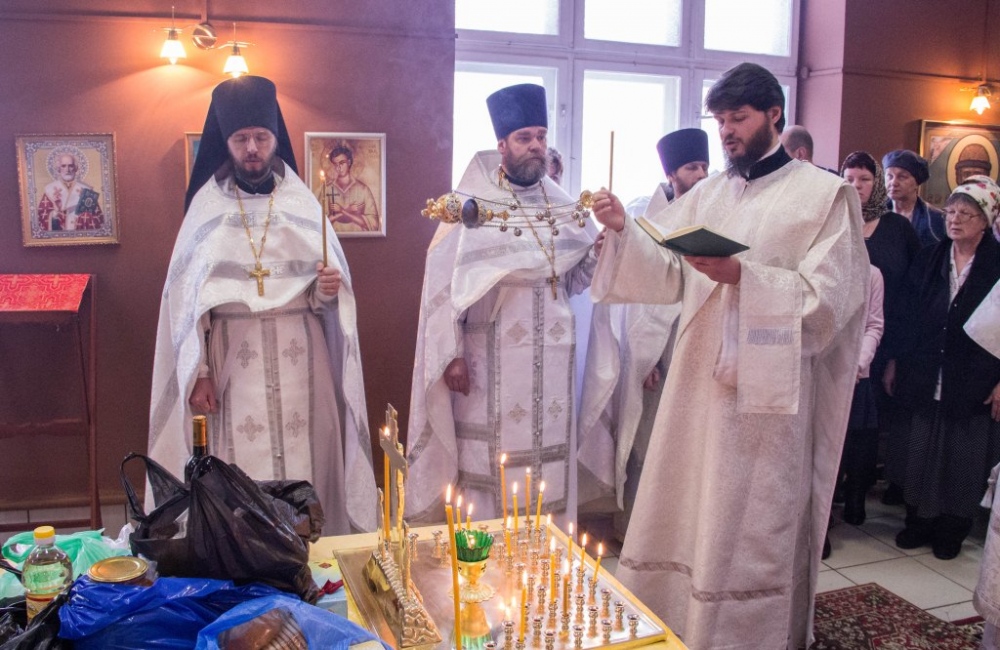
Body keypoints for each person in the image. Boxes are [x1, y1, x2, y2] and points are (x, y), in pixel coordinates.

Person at [590, 62, 869, 649]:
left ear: (774, 114)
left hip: (765, 405)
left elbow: (832, 301)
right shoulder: (710, 193)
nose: (726, 132)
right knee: (691, 504)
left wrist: (744, 276)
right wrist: (624, 231)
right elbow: (667, 271)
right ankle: (681, 623)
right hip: (696, 388)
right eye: (719, 121)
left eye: (737, 118)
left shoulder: (825, 195)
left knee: (749, 522)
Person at [148, 76, 377, 535]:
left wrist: (326, 290)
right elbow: (189, 303)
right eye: (241, 139)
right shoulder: (205, 209)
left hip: (301, 357)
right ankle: (245, 551)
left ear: (275, 138)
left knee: (305, 455)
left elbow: (322, 300)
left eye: (261, 137)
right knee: (240, 459)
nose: (252, 148)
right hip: (234, 360)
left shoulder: (302, 204)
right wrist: (202, 373)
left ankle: (308, 550)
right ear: (225, 142)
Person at [405, 83, 597, 523]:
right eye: (524, 137)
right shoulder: (471, 206)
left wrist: (599, 252)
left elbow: (572, 280)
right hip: (489, 360)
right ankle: (487, 551)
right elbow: (441, 286)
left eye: (541, 136)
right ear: (503, 145)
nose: (536, 146)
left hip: (551, 357)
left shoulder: (563, 206)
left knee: (548, 460)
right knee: (490, 463)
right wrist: (452, 353)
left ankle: (547, 550)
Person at [578, 128, 708, 540]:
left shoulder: (712, 212)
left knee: (688, 445)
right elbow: (629, 298)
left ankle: (678, 535)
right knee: (646, 442)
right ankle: (634, 530)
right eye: (692, 167)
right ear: (672, 174)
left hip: (694, 342)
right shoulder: (644, 216)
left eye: (705, 166)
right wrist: (643, 358)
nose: (702, 175)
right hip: (653, 350)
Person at [884, 175, 1000, 560]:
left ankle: (952, 528)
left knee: (963, 455)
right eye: (951, 212)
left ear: (986, 220)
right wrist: (895, 360)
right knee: (919, 449)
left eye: (967, 214)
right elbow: (904, 313)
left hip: (974, 377)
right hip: (924, 369)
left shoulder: (996, 264)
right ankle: (918, 520)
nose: (955, 220)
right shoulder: (930, 256)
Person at [840, 151, 921, 514]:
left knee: (867, 424)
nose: (856, 186)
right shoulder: (835, 223)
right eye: (849, 179)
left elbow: (913, 290)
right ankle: (834, 490)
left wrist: (897, 356)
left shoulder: (897, 228)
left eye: (864, 179)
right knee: (836, 421)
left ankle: (858, 492)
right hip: (840, 339)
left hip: (884, 340)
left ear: (876, 184)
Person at [882, 149, 947, 248]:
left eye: (902, 177)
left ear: (917, 183)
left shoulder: (935, 219)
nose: (893, 182)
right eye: (889, 176)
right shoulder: (874, 215)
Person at [37, 151, 105, 231]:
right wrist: (55, 213)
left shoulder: (86, 189)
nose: (67, 170)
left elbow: (97, 217)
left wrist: (84, 217)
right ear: (58, 169)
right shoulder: (50, 190)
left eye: (70, 166)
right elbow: (42, 217)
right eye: (63, 166)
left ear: (75, 168)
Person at [320, 145, 380, 232]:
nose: (339, 167)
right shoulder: (327, 189)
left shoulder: (363, 189)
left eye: (342, 163)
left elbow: (373, 224)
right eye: (335, 164)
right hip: (333, 238)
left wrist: (341, 211)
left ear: (349, 162)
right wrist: (348, 211)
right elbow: (320, 222)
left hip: (360, 238)